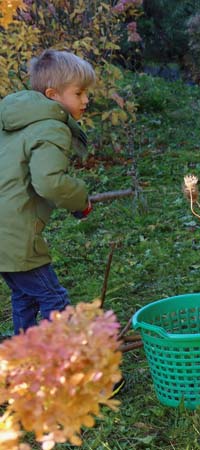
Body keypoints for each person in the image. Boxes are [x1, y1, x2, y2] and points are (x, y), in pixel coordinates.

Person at [0, 49, 94, 336]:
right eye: (79, 93)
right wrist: (81, 199)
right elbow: (50, 182)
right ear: (53, 94)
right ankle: (73, 368)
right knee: (55, 299)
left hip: (4, 235)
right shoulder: (51, 127)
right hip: (16, 236)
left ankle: (24, 364)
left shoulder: (14, 123)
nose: (86, 100)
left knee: (25, 297)